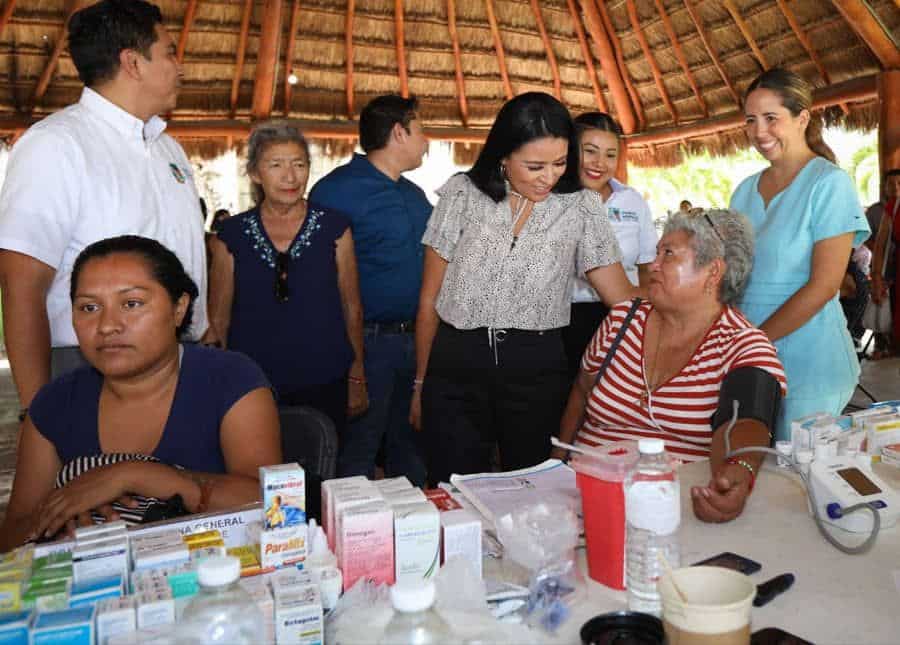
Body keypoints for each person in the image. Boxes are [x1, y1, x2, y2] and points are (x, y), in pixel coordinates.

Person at [414, 92, 638, 485]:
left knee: (534, 490)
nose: (548, 177)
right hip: (456, 366)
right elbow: (430, 299)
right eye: (534, 165)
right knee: (453, 487)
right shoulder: (463, 194)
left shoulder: (581, 207)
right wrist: (421, 382)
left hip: (537, 368)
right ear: (503, 155)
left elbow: (620, 297)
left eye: (559, 163)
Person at [0, 236, 281, 550]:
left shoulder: (230, 380)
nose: (107, 325)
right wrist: (58, 522)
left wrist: (135, 475)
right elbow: (13, 533)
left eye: (131, 304)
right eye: (89, 307)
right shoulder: (55, 404)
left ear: (179, 308)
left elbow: (275, 505)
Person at [0, 0, 208, 423]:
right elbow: (21, 285)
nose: (180, 67)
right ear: (132, 63)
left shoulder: (168, 148)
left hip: (179, 358)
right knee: (96, 486)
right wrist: (39, 413)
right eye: (169, 52)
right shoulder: (56, 146)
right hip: (91, 364)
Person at [558, 209, 786, 523]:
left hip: (667, 512)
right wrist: (555, 470)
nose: (653, 265)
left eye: (668, 254)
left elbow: (747, 421)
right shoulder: (623, 320)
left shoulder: (742, 344)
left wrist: (739, 470)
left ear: (713, 271)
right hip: (584, 497)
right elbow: (581, 396)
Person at [208, 120, 366, 449]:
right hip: (251, 381)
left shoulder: (335, 227)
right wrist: (217, 384)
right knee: (258, 480)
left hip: (324, 376)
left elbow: (351, 307)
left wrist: (356, 374)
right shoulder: (230, 235)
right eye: (276, 165)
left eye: (299, 164)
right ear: (254, 173)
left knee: (318, 475)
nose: (290, 176)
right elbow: (219, 319)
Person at [730, 68, 869, 440]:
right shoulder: (744, 191)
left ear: (802, 117)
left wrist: (753, 342)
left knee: (803, 475)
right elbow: (732, 275)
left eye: (772, 118)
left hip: (809, 360)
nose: (760, 132)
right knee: (752, 468)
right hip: (750, 357)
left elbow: (824, 286)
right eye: (751, 120)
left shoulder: (828, 183)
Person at [308, 95, 430, 485]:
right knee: (358, 449)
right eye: (421, 131)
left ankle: (415, 535)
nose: (426, 142)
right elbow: (319, 278)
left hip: (419, 338)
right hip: (368, 343)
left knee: (412, 446)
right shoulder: (336, 192)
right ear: (400, 131)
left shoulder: (414, 196)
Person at [563, 112, 657, 375]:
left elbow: (647, 268)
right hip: (566, 321)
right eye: (590, 151)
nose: (599, 163)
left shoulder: (632, 200)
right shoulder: (554, 200)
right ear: (571, 151)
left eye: (610, 154)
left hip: (626, 316)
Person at [870, 169, 900, 356]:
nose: (896, 188)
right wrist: (876, 279)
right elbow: (880, 245)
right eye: (892, 184)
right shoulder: (891, 208)